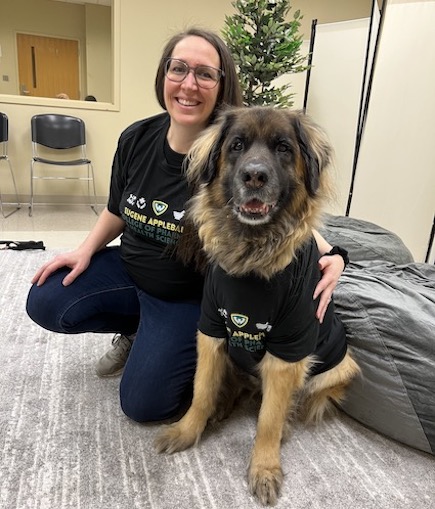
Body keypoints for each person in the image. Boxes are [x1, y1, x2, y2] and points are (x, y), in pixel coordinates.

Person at [26, 27, 346, 423]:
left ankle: (170, 343)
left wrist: (333, 253)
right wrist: (84, 250)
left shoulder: (227, 156)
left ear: (222, 83)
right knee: (47, 298)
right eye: (178, 69)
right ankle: (135, 330)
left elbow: (278, 210)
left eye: (205, 73)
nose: (189, 84)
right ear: (163, 75)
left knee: (145, 405)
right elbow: (116, 209)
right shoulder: (136, 137)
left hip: (185, 297)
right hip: (130, 270)